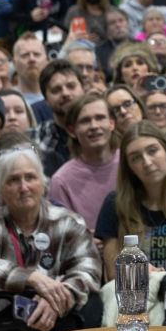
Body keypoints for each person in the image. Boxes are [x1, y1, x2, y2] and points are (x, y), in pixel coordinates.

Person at [0, 145, 101, 331]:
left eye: (30, 178)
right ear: (0, 190)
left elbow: (88, 269)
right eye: (13, 180)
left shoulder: (68, 221)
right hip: (2, 321)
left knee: (91, 305)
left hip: (60, 318)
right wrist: (30, 278)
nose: (24, 187)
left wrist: (59, 299)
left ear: (43, 184)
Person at [94, 121, 166, 277]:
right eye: (135, 158)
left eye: (152, 151)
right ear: (129, 168)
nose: (147, 162)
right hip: (136, 295)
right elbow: (114, 275)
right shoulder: (115, 204)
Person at [48, 95, 118, 230]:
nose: (94, 126)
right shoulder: (61, 180)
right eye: (85, 121)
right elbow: (60, 233)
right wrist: (85, 238)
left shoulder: (130, 162)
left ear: (111, 123)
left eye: (100, 118)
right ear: (71, 130)